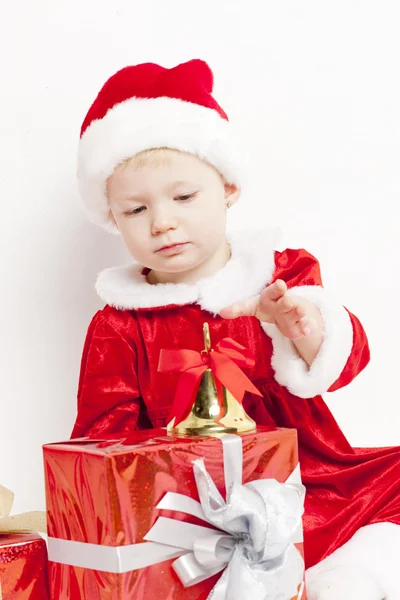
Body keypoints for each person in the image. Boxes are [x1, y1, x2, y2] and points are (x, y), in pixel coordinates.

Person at [71, 58, 400, 599]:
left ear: (227, 188)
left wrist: (304, 326)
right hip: (193, 501)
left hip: (308, 478)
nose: (162, 222)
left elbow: (345, 362)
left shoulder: (280, 274)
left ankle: (340, 578)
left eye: (183, 197)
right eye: (136, 209)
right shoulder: (121, 324)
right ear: (113, 218)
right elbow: (99, 441)